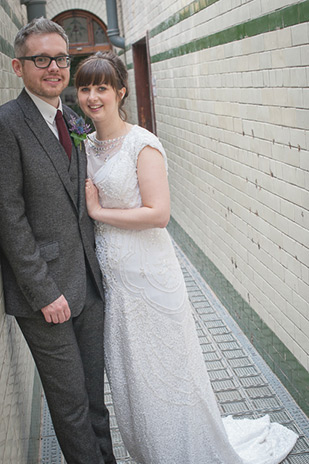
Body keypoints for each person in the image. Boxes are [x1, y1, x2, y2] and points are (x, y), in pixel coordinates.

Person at [75, 51, 298, 464]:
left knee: (167, 372)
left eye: (101, 87)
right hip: (113, 280)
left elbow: (159, 214)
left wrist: (98, 212)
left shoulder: (142, 144)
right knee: (132, 379)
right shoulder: (85, 146)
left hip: (150, 275)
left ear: (120, 91)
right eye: (85, 87)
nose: (92, 96)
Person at [0, 19, 116, 464]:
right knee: (70, 409)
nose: (53, 67)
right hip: (45, 296)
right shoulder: (7, 125)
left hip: (88, 283)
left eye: (61, 58)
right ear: (18, 66)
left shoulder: (70, 117)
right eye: (41, 59)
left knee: (94, 400)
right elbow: (9, 217)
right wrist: (44, 291)